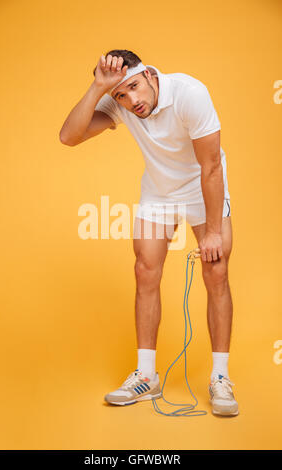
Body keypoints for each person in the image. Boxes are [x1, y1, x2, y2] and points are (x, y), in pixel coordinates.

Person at [59, 50, 238, 417]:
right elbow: (69, 137)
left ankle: (220, 378)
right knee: (145, 271)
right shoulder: (119, 102)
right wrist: (99, 89)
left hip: (203, 188)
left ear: (151, 76)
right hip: (159, 192)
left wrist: (213, 231)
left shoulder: (190, 93)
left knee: (216, 271)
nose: (132, 101)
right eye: (121, 95)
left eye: (135, 88)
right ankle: (146, 375)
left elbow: (210, 168)